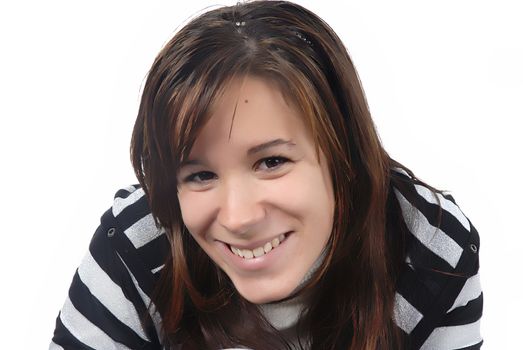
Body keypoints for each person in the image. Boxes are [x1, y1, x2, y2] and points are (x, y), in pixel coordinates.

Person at [49, 1, 483, 349]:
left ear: (344, 156)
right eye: (199, 175)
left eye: (272, 162)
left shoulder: (431, 252)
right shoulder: (138, 244)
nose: (238, 217)